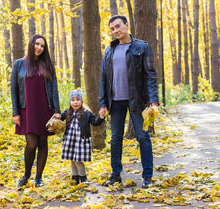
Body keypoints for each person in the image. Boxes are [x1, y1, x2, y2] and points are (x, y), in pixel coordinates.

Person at [99, 15, 159, 189]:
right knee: (116, 138)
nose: (116, 31)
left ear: (126, 25)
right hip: (115, 102)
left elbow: (150, 76)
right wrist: (102, 103)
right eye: (112, 29)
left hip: (137, 101)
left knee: (143, 137)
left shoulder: (142, 47)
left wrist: (153, 101)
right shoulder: (109, 50)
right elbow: (104, 78)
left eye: (118, 26)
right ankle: (115, 174)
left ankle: (147, 176)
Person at [11, 34, 61, 188]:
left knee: (43, 143)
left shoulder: (48, 65)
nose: (39, 47)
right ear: (31, 44)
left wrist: (57, 110)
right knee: (31, 145)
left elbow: (54, 89)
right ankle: (26, 175)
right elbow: (13, 89)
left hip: (45, 109)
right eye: (37, 44)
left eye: (42, 46)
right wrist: (15, 112)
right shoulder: (18, 65)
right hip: (27, 109)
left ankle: (38, 178)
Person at [60, 90, 105, 184]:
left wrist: (101, 117)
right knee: (72, 159)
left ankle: (83, 177)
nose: (75, 102)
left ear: (81, 101)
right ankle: (75, 177)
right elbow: (59, 118)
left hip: (81, 140)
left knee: (78, 160)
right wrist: (55, 116)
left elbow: (95, 123)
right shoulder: (67, 112)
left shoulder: (87, 113)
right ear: (70, 102)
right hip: (70, 139)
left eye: (77, 100)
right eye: (72, 100)